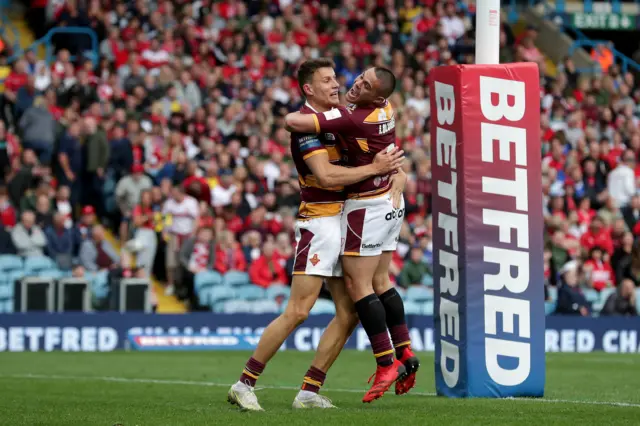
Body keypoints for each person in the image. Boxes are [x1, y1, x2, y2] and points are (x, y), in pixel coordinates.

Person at [228, 59, 404, 411]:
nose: (335, 85)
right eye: (326, 81)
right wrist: (375, 169)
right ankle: (244, 382)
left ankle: (309, 390)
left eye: (335, 79)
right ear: (309, 89)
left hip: (348, 218)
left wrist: (394, 174)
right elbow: (325, 177)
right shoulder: (306, 128)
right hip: (320, 221)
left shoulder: (344, 115)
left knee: (349, 312)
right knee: (299, 310)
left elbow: (384, 148)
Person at [284, 66, 418, 402]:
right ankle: (405, 352)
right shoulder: (385, 110)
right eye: (359, 76)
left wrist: (320, 112)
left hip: (366, 206)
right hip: (390, 201)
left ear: (379, 95)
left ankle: (386, 362)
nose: (355, 84)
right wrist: (398, 173)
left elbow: (294, 122)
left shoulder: (352, 117)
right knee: (382, 281)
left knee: (359, 286)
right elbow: (386, 151)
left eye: (366, 84)